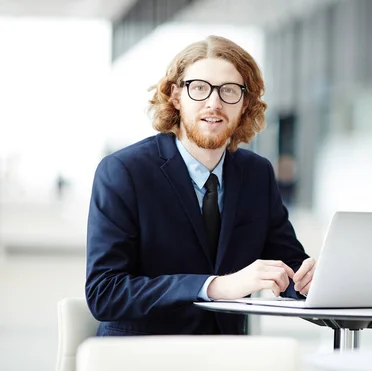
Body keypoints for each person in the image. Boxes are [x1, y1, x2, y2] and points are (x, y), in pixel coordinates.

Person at [85, 36, 316, 336]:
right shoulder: (123, 172)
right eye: (199, 88)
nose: (213, 103)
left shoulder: (257, 174)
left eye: (229, 90)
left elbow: (291, 270)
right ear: (176, 97)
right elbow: (105, 293)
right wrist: (216, 286)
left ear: (245, 103)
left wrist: (315, 281)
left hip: (225, 365)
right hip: (141, 363)